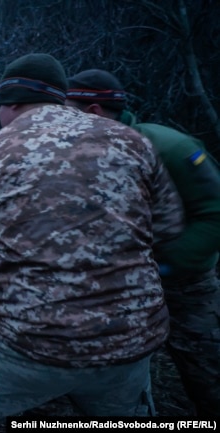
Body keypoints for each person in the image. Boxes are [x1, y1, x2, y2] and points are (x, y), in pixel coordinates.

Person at [0, 53, 185, 432]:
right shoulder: (131, 141)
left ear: (11, 102)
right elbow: (168, 226)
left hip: (33, 342)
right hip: (129, 337)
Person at [66, 68, 220, 418]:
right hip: (120, 290)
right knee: (115, 386)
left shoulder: (169, 147)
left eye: (65, 111)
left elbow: (215, 214)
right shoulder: (84, 155)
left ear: (93, 112)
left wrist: (165, 265)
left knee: (209, 378)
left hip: (186, 290)